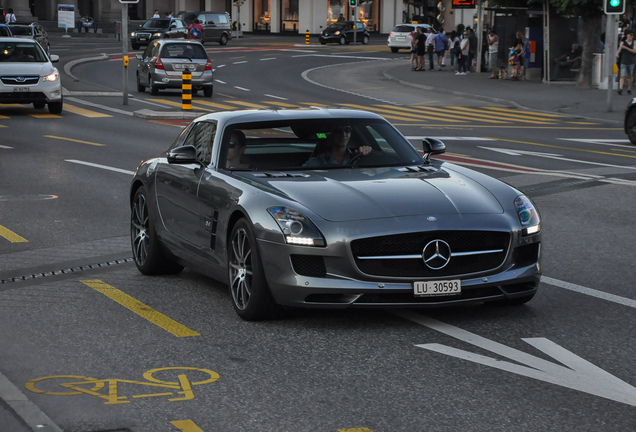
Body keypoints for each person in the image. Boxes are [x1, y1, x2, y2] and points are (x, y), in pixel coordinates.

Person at [304, 126, 372, 167]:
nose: (343, 134)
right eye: (338, 131)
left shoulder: (359, 158)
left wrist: (367, 153)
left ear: (350, 134)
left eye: (347, 130)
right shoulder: (316, 162)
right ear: (331, 134)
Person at [617, 30, 636, 95]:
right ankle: (620, 88)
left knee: (630, 76)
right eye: (630, 35)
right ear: (627, 35)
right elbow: (619, 48)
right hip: (624, 60)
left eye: (632, 35)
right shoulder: (623, 42)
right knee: (622, 75)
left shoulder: (634, 42)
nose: (631, 36)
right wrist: (617, 53)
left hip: (631, 61)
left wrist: (625, 47)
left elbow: (634, 51)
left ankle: (629, 88)